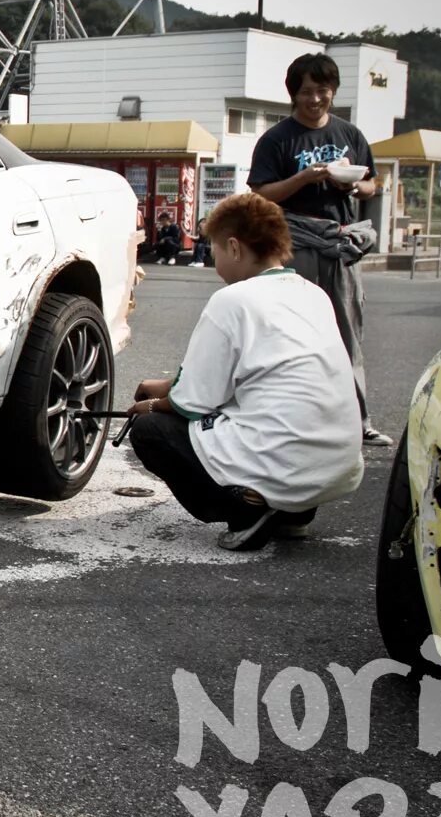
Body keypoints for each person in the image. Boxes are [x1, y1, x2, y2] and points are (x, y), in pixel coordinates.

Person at [125, 192, 364, 551]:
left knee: (150, 431)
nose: (215, 260)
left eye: (215, 249)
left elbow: (194, 401)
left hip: (280, 459)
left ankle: (245, 511)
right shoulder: (312, 293)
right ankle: (292, 513)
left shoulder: (233, 299)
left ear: (234, 247)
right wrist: (161, 386)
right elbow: (255, 374)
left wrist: (151, 406)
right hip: (337, 464)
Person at [247, 52, 389, 446]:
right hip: (294, 243)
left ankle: (358, 421)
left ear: (333, 91)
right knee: (291, 332)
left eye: (321, 90)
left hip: (341, 243)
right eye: (306, 91)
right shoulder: (277, 139)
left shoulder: (350, 134)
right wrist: (302, 178)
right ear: (294, 94)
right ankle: (290, 418)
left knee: (347, 332)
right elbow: (261, 193)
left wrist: (351, 185)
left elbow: (370, 185)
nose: (314, 99)